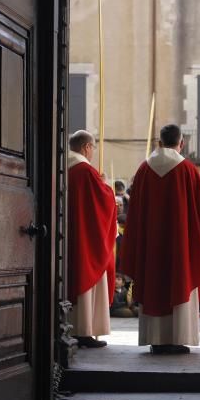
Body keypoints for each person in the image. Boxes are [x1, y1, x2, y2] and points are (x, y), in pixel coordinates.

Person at [120, 124, 200, 354]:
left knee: (153, 283)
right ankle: (176, 338)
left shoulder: (144, 169)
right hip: (179, 248)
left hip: (151, 248)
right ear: (181, 143)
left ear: (159, 143)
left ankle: (155, 338)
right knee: (179, 279)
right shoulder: (186, 169)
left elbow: (134, 212)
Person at [67, 130, 118, 348]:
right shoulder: (85, 171)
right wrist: (105, 187)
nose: (93, 152)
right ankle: (83, 332)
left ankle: (68, 328)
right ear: (87, 147)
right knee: (84, 277)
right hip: (85, 239)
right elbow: (104, 203)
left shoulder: (62, 166)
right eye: (93, 148)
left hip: (68, 236)